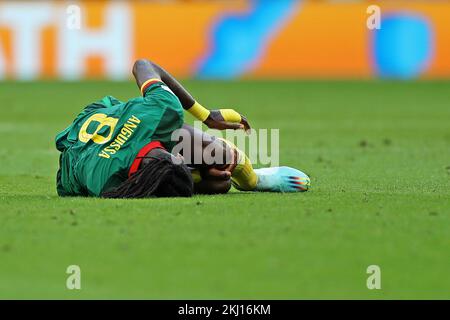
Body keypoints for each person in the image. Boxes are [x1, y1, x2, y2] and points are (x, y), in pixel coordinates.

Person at [55, 59, 309, 198]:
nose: (179, 156)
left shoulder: (162, 112)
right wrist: (197, 180)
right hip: (88, 150)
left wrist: (207, 115)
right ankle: (213, 178)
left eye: (176, 156)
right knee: (217, 184)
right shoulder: (110, 183)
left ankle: (254, 179)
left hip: (120, 121)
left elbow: (143, 65)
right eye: (181, 159)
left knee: (221, 156)